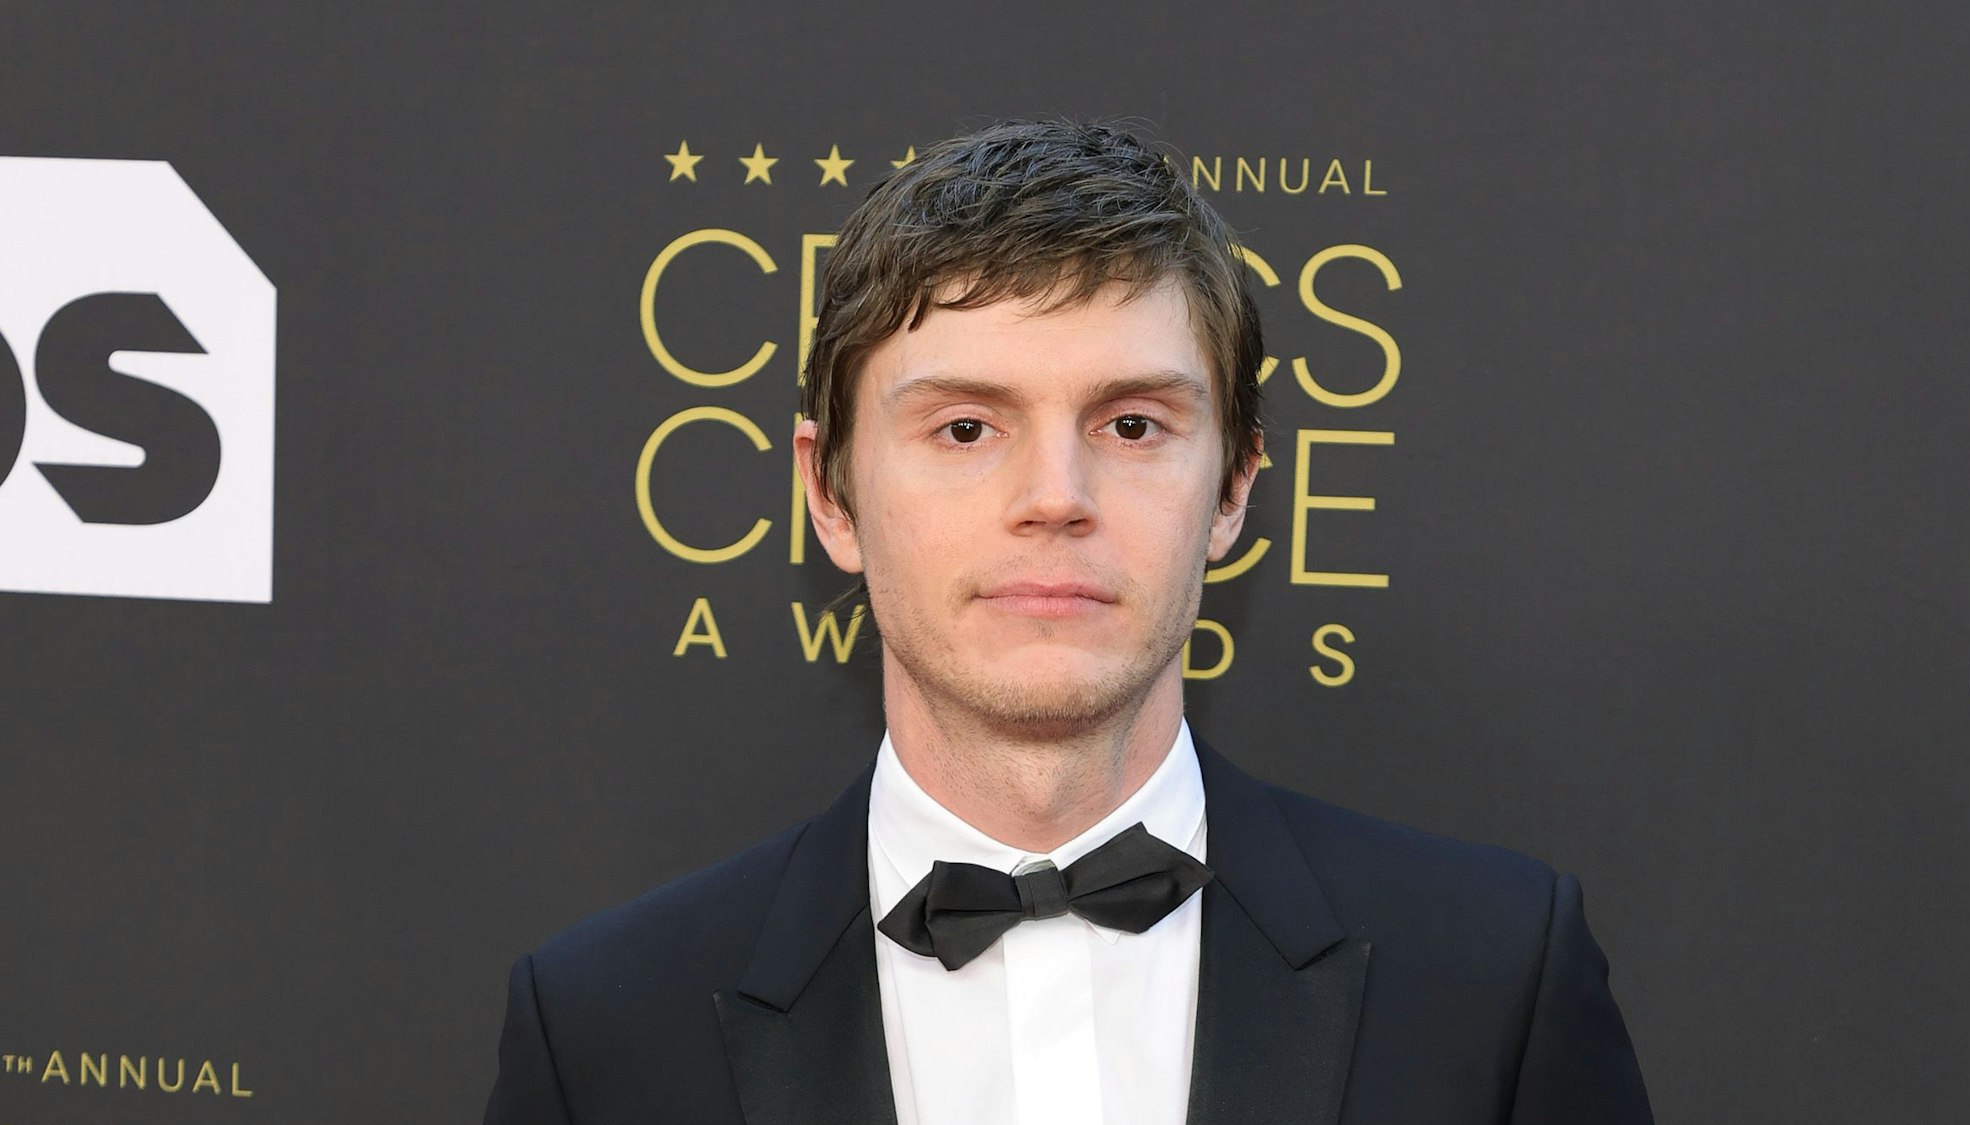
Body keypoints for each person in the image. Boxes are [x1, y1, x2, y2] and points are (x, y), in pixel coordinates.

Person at [483, 120, 1653, 1125]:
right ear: (829, 496)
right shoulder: (605, 1036)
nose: (1055, 498)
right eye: (964, 429)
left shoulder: (1494, 979)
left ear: (1235, 490)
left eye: (1131, 425)